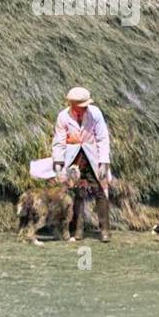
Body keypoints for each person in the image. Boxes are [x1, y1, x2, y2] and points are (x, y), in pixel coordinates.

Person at [51, 86, 111, 243]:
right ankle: (77, 229)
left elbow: (103, 138)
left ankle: (104, 229)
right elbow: (59, 141)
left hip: (93, 156)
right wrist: (58, 163)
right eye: (80, 105)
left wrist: (103, 162)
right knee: (77, 192)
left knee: (100, 191)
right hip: (74, 158)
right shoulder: (63, 116)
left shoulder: (95, 113)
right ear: (72, 103)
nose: (84, 108)